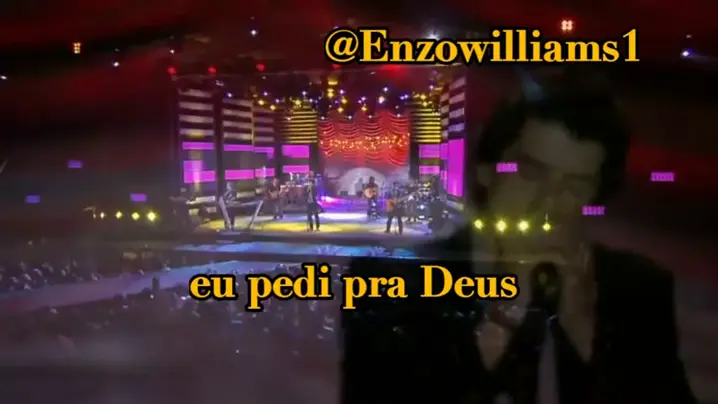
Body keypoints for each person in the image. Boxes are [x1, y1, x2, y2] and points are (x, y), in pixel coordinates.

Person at [341, 68, 696, 404]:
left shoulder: (637, 290)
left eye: (575, 185)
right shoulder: (391, 281)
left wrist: (582, 325)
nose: (548, 203)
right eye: (530, 172)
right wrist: (504, 318)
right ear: (486, 170)